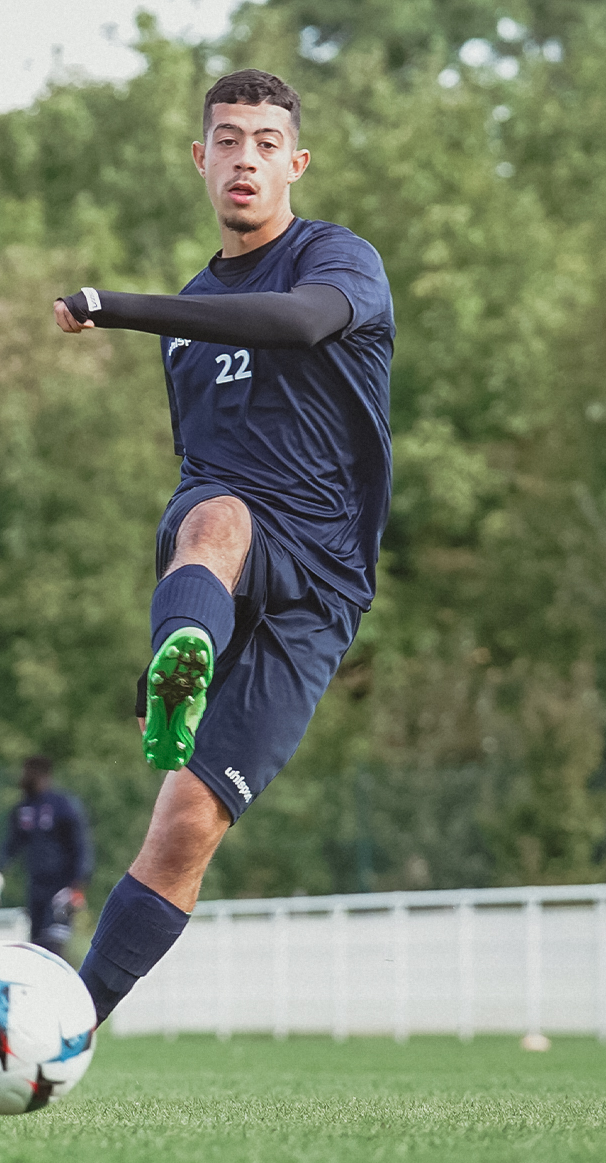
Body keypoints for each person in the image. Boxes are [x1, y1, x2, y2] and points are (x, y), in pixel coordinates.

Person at [53, 69, 394, 1024]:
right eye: (228, 140)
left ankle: (70, 1028)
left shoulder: (339, 261)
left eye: (266, 142)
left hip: (322, 585)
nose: (247, 158)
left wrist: (116, 305)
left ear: (297, 162)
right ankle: (183, 657)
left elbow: (294, 324)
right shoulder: (193, 318)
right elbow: (203, 466)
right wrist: (172, 643)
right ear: (200, 160)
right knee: (217, 512)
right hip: (227, 539)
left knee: (185, 827)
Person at [0, 755, 93, 958]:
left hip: (61, 887)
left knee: (53, 943)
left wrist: (78, 883)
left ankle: (61, 985)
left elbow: (80, 845)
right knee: (36, 945)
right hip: (36, 887)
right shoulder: (23, 809)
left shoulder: (63, 805)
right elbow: (12, 843)